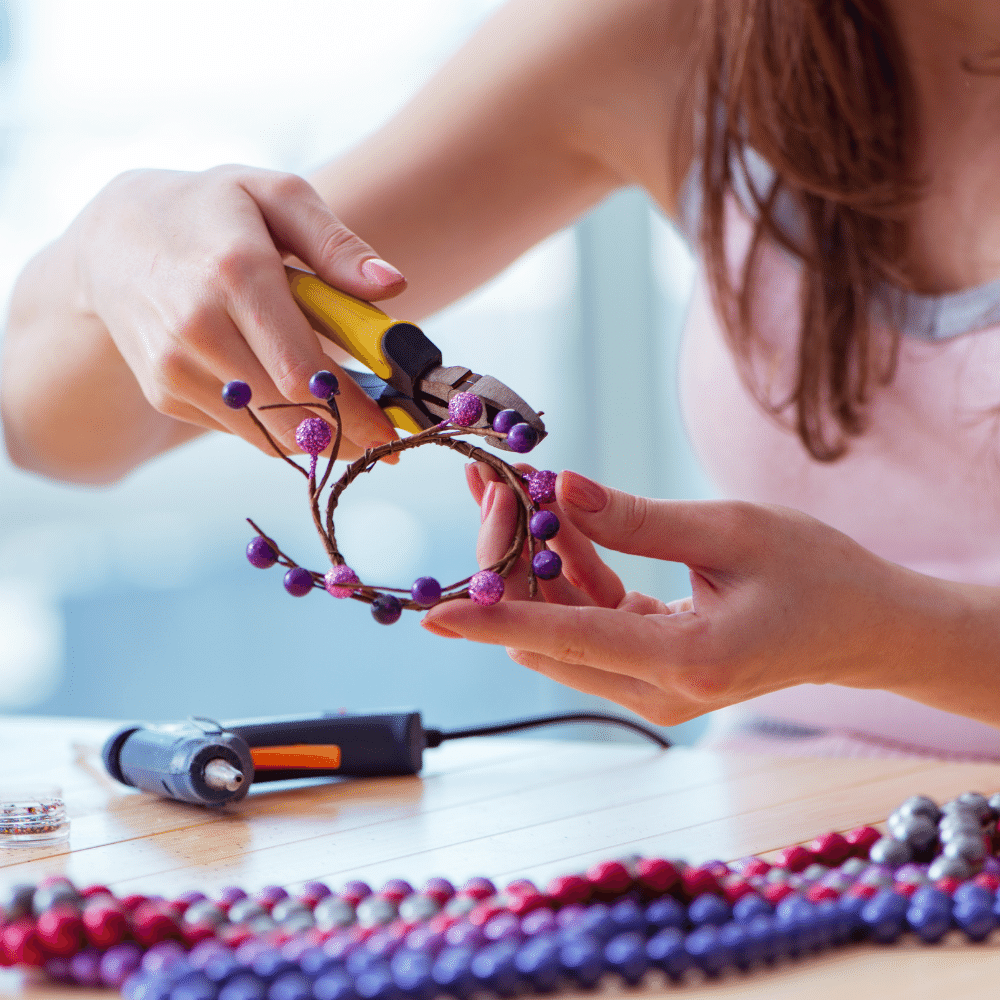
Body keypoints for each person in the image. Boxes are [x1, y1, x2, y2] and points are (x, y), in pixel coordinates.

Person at [4, 0, 1000, 757]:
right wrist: (111, 254)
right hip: (803, 880)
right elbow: (46, 423)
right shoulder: (670, 35)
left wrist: (891, 635)